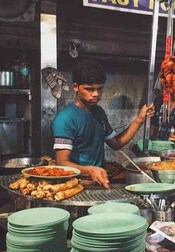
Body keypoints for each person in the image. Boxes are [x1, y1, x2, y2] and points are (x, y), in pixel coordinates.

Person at [52, 59, 155, 188]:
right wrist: (90, 170)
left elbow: (116, 143)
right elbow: (62, 163)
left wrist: (139, 119)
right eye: (89, 89)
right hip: (75, 185)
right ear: (75, 87)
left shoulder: (98, 112)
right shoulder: (65, 119)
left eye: (100, 89)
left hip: (99, 181)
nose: (96, 94)